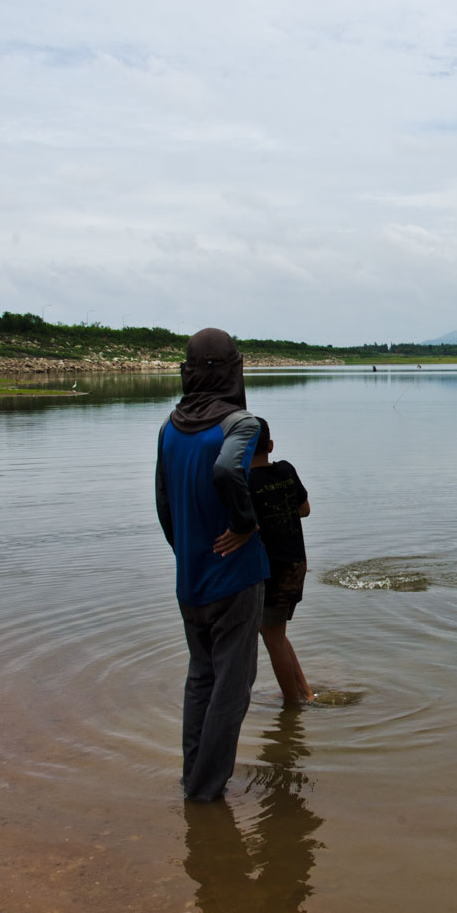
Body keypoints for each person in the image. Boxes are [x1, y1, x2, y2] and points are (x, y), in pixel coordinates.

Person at [155, 328, 269, 801]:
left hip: (192, 581)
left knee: (201, 678)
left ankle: (191, 777)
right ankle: (206, 790)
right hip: (235, 576)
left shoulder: (168, 427)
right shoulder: (241, 424)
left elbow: (164, 505)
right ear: (232, 369)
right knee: (233, 687)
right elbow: (226, 469)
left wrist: (186, 554)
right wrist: (245, 522)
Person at [248, 417, 314, 704]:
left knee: (272, 636)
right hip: (297, 563)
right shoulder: (286, 470)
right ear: (271, 446)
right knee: (274, 632)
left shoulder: (245, 482)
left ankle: (292, 705)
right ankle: (305, 693)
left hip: (272, 568)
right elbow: (305, 509)